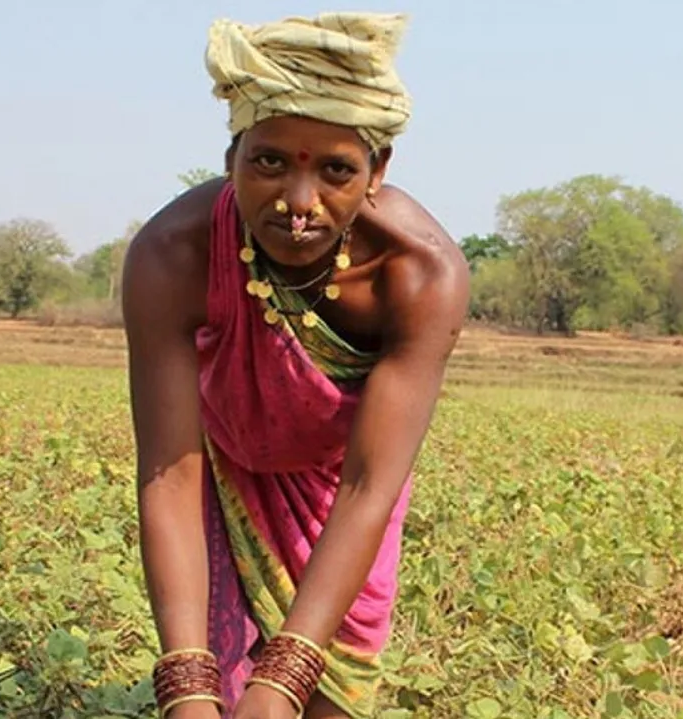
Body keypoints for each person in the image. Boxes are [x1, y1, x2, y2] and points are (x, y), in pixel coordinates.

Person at [121, 11, 468, 719]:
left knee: (321, 702)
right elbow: (169, 469)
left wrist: (284, 677)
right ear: (231, 160)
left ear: (379, 171)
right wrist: (184, 686)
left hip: (345, 488)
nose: (298, 202)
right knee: (208, 696)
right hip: (226, 471)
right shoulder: (172, 254)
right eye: (269, 161)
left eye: (336, 169)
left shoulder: (419, 275)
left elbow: (372, 483)